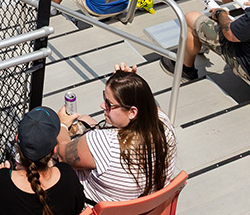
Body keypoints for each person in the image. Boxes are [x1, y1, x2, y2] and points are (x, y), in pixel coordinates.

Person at [54, 65, 178, 204]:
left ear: (132, 112)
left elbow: (62, 154)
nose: (102, 106)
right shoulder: (165, 126)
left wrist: (62, 124)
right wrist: (131, 85)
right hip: (145, 207)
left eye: (109, 104)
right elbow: (147, 104)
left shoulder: (106, 144)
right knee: (86, 120)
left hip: (89, 204)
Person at [0, 106, 85, 215]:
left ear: (17, 139)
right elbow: (78, 206)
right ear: (54, 150)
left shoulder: (0, 182)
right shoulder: (67, 175)